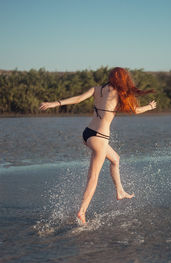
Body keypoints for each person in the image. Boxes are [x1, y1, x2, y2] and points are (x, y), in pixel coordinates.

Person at [39, 67, 157, 224]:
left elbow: (78, 99)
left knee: (115, 159)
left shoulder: (97, 89)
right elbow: (135, 111)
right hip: (100, 138)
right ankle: (82, 211)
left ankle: (120, 191)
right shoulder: (121, 93)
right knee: (93, 178)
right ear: (124, 79)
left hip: (87, 134)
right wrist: (149, 107)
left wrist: (55, 103)